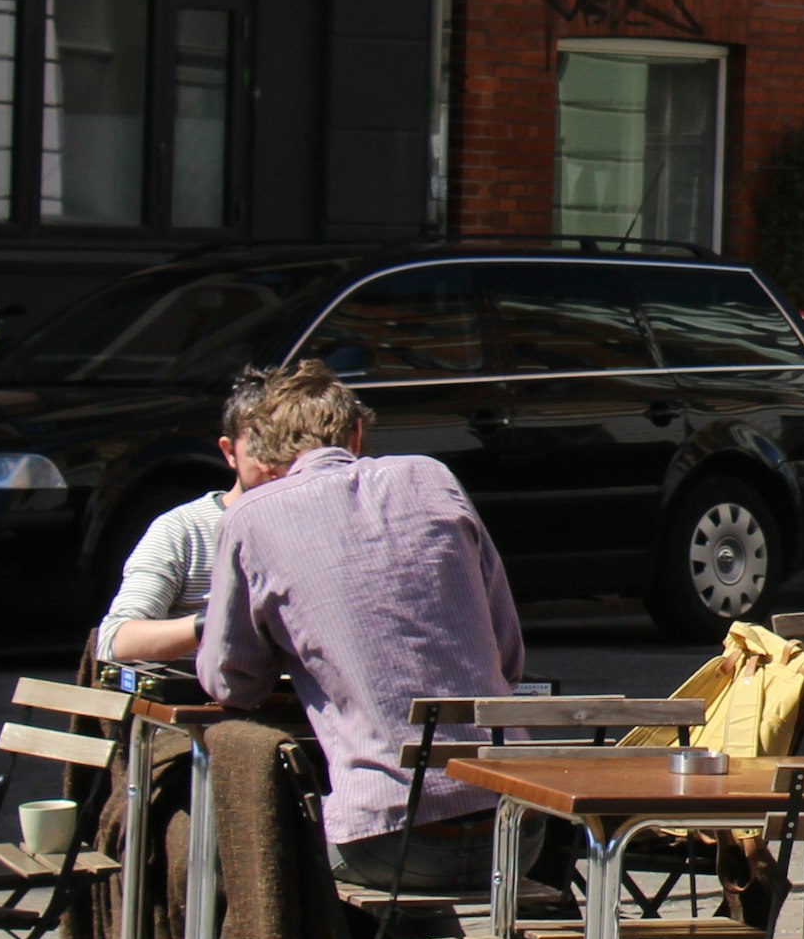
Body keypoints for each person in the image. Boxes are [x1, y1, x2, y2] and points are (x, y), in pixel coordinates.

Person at [194, 358, 526, 897]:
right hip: (518, 829)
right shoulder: (430, 476)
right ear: (355, 431)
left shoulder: (250, 517)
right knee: (410, 883)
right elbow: (507, 659)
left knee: (255, 858)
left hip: (387, 839)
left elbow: (234, 682)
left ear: (268, 447)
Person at [96, 367, 276, 668]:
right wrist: (217, 622)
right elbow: (116, 640)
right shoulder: (184, 530)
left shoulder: (328, 524)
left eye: (292, 444)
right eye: (263, 445)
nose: (276, 461)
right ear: (229, 452)